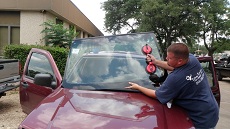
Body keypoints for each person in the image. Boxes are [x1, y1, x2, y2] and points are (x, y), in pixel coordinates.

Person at [126, 43, 219, 129]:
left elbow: (157, 95)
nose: (166, 58)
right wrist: (155, 62)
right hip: (211, 109)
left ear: (179, 61)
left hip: (202, 119)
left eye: (169, 58)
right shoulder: (192, 60)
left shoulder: (175, 79)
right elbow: (172, 66)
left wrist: (138, 87)